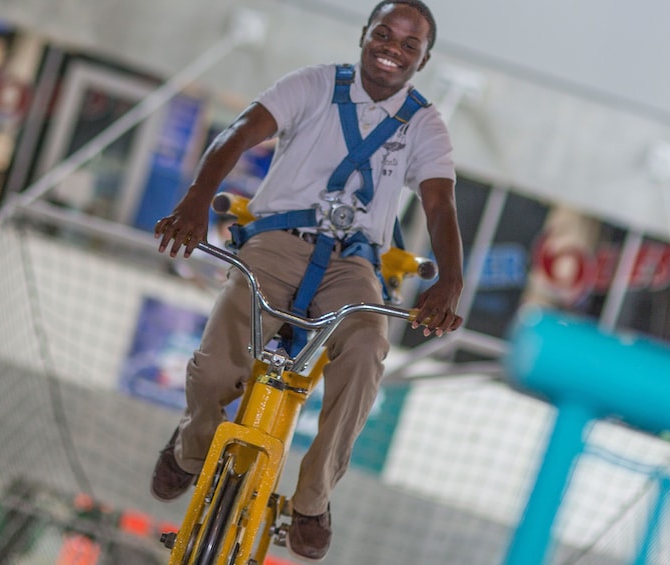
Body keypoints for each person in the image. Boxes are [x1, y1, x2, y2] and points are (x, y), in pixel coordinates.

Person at [152, 1, 463, 560]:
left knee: (368, 347)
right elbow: (242, 132)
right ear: (365, 35)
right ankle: (191, 445)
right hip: (276, 243)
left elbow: (439, 204)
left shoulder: (425, 125)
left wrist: (451, 282)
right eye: (383, 34)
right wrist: (196, 200)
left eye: (409, 43)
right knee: (219, 362)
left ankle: (314, 498)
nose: (393, 47)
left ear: (424, 58)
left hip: (354, 265)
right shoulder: (315, 85)